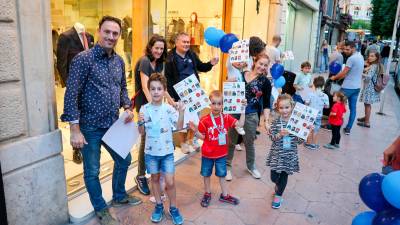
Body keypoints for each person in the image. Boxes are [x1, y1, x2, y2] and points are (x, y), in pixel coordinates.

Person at [61, 16, 142, 225]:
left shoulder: (118, 61)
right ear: (98, 32)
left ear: (119, 36)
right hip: (89, 127)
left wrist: (127, 106)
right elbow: (71, 95)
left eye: (115, 33)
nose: (111, 37)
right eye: (107, 32)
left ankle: (119, 195)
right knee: (92, 171)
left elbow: (122, 87)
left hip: (113, 124)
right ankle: (101, 209)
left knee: (124, 160)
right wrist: (75, 129)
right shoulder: (83, 59)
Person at [138, 73, 185, 224]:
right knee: (155, 179)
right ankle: (159, 206)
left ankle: (173, 207)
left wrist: (182, 112)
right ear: (149, 90)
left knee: (170, 182)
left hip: (167, 153)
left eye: (159, 89)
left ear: (164, 90)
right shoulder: (144, 109)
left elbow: (178, 127)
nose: (156, 92)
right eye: (153, 89)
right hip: (150, 153)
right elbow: (142, 132)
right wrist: (140, 123)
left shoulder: (169, 109)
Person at [188, 90, 246, 207]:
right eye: (213, 103)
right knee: (206, 174)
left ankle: (224, 195)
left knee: (222, 175)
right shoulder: (204, 120)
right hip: (207, 154)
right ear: (209, 104)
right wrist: (195, 131)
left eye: (219, 103)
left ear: (222, 105)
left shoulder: (226, 117)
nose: (216, 106)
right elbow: (203, 137)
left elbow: (239, 124)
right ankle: (207, 193)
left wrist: (243, 110)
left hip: (221, 154)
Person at [165, 32, 219, 153]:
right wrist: (171, 98)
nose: (186, 44)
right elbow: (168, 79)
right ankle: (183, 143)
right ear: (177, 42)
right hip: (179, 93)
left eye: (188, 42)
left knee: (195, 119)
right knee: (182, 119)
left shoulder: (191, 54)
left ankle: (192, 139)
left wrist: (210, 63)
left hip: (194, 92)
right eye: (184, 42)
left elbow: (200, 67)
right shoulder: (170, 58)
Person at [226, 54, 272, 181]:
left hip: (251, 115)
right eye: (260, 63)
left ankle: (251, 166)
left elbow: (267, 103)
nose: (262, 67)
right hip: (234, 112)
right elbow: (229, 90)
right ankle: (227, 167)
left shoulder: (266, 82)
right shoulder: (242, 74)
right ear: (254, 61)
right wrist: (228, 82)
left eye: (265, 65)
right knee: (231, 140)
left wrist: (266, 121)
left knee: (249, 142)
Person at [133, 34, 168, 196]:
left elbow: (160, 87)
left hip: (156, 106)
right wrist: (153, 109)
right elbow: (147, 88)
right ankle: (140, 175)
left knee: (154, 138)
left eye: (162, 48)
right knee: (146, 140)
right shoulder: (145, 61)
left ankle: (153, 172)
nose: (159, 51)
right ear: (150, 47)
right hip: (145, 106)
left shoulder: (159, 63)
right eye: (156, 48)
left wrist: (172, 102)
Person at [226, 36, 267, 150]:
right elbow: (233, 65)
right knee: (233, 114)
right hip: (233, 87)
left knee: (242, 114)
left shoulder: (249, 58)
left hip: (243, 88)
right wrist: (240, 66)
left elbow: (247, 71)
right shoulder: (234, 52)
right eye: (257, 51)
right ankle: (231, 141)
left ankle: (237, 140)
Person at [267, 94, 306, 209]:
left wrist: (305, 131)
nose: (284, 110)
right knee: (273, 177)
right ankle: (278, 186)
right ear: (278, 108)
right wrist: (279, 134)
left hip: (289, 155)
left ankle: (278, 196)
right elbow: (272, 138)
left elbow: (300, 141)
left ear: (292, 107)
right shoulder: (275, 122)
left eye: (287, 107)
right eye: (281, 108)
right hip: (276, 154)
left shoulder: (297, 123)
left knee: (284, 176)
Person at [330, 41, 364, 135]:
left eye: (348, 49)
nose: (345, 51)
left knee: (337, 106)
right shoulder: (360, 56)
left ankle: (332, 124)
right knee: (353, 109)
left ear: (353, 48)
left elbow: (344, 72)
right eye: (344, 49)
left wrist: (335, 77)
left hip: (347, 87)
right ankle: (348, 129)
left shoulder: (351, 58)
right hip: (357, 87)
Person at [357, 52, 383, 128]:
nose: (369, 57)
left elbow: (369, 77)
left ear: (376, 58)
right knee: (367, 104)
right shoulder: (376, 65)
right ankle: (366, 118)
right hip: (370, 88)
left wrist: (360, 73)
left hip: (369, 88)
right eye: (369, 56)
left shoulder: (374, 66)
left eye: (372, 56)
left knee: (367, 104)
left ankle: (367, 122)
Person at [304, 76, 329, 150]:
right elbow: (327, 106)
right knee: (316, 130)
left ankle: (308, 143)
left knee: (309, 129)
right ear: (323, 85)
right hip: (318, 115)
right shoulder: (325, 96)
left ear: (314, 84)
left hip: (310, 115)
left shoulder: (310, 94)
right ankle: (313, 144)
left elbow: (306, 103)